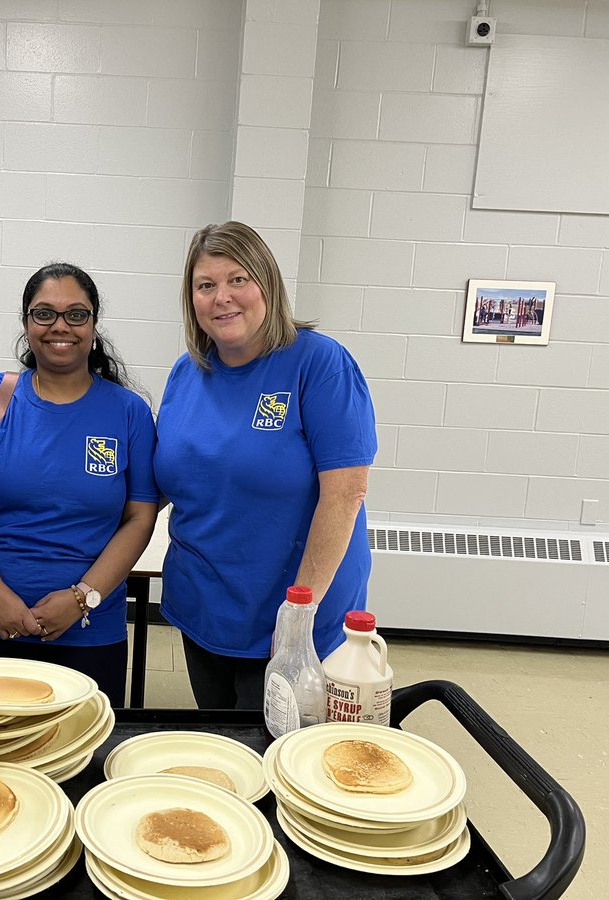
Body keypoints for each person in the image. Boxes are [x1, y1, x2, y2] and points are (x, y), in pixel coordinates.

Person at [154, 221, 377, 710]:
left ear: (267, 284)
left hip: (292, 613)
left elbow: (346, 495)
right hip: (205, 605)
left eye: (238, 279)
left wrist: (298, 614)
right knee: (222, 739)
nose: (222, 297)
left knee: (278, 746)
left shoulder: (319, 363)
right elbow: (166, 478)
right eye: (205, 285)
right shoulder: (187, 373)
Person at [0, 263, 157, 707]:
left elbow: (140, 517)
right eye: (44, 313)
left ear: (93, 324)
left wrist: (82, 598)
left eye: (76, 314)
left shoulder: (128, 411)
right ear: (26, 323)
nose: (60, 326)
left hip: (89, 632)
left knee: (81, 744)